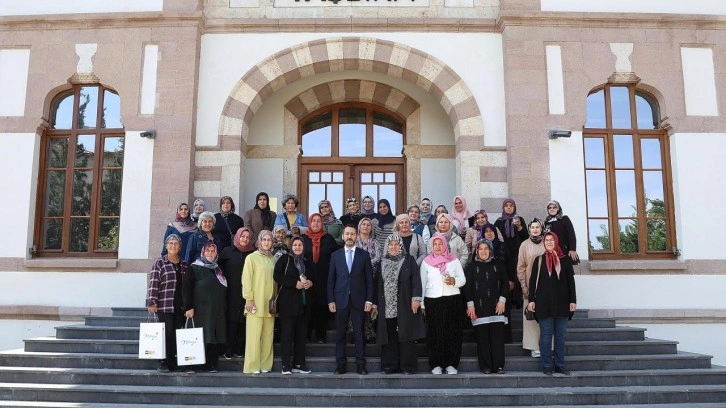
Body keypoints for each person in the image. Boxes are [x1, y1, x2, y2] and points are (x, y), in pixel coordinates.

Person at [527, 231, 577, 376]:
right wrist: (531, 300)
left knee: (560, 336)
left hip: (562, 303)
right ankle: (547, 365)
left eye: (551, 240)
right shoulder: (539, 260)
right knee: (546, 335)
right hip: (544, 303)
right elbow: (532, 282)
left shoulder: (565, 260)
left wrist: (573, 301)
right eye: (546, 240)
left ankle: (560, 364)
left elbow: (571, 282)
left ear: (556, 241)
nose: (549, 242)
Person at [374, 234, 425, 375]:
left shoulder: (409, 261)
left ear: (401, 246)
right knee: (389, 336)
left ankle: (408, 367)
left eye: (396, 244)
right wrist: (375, 305)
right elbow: (377, 284)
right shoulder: (382, 262)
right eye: (391, 244)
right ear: (387, 247)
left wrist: (416, 299)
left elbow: (416, 280)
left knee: (406, 335)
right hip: (387, 306)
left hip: (405, 305)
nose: (394, 247)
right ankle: (389, 366)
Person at [328, 224, 374, 375]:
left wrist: (369, 300)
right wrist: (331, 300)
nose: (349, 237)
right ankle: (340, 365)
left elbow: (369, 280)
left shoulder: (364, 255)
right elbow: (331, 280)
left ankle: (361, 365)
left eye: (352, 234)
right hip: (340, 300)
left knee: (359, 334)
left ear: (356, 236)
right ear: (342, 236)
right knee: (340, 334)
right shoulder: (335, 256)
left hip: (359, 300)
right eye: (347, 234)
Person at [420, 233, 466, 375]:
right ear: (431, 246)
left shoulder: (454, 260)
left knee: (452, 332)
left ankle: (451, 364)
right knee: (435, 333)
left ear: (445, 245)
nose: (438, 247)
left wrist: (454, 281)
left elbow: (463, 279)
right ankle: (436, 364)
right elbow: (422, 283)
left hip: (452, 299)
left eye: (441, 244)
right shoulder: (426, 262)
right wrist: (422, 303)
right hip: (432, 300)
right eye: (435, 244)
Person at [464, 239, 509, 374]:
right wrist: (470, 305)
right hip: (479, 307)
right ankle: (486, 366)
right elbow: (467, 288)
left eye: (486, 249)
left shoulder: (498, 265)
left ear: (490, 250)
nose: (483, 251)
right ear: (476, 251)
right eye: (480, 249)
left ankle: (499, 365)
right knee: (482, 339)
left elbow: (505, 283)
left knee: (497, 339)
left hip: (497, 306)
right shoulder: (472, 267)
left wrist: (502, 301)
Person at [183, 241, 227, 373]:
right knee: (196, 336)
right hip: (198, 311)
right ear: (203, 252)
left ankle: (211, 364)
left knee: (211, 336)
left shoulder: (218, 269)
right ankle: (191, 365)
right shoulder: (194, 268)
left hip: (214, 310)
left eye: (213, 251)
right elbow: (186, 289)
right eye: (208, 250)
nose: (210, 253)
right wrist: (188, 307)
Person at [146, 234, 188, 372]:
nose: (173, 246)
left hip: (179, 306)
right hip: (164, 305)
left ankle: (172, 360)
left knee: (176, 333)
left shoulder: (184, 264)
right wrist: (151, 302)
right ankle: (163, 361)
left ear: (180, 247)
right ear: (166, 246)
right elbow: (153, 283)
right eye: (170, 243)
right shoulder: (160, 263)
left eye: (176, 243)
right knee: (167, 333)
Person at [274, 236, 313, 375]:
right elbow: (276, 276)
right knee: (287, 335)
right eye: (295, 245)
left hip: (303, 304)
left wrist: (310, 283)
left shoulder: (306, 261)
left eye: (300, 245)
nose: (297, 247)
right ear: (291, 246)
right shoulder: (285, 259)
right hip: (288, 303)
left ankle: (299, 363)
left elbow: (312, 276)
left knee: (301, 336)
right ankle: (286, 365)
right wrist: (293, 283)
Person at [242, 230, 276, 374]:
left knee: (268, 336)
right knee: (254, 336)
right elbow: (246, 279)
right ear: (259, 242)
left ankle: (265, 365)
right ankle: (252, 366)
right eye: (264, 240)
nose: (267, 242)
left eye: (269, 240)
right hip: (255, 303)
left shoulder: (273, 259)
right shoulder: (251, 258)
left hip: (269, 304)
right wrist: (249, 299)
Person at [218, 227, 254, 360]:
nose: (245, 239)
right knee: (231, 320)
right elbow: (217, 268)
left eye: (247, 237)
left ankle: (239, 348)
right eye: (242, 236)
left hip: (247, 292)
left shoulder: (252, 253)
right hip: (231, 291)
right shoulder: (227, 251)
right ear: (237, 237)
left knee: (243, 321)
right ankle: (228, 349)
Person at [302, 213, 339, 344]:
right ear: (309, 223)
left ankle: (321, 336)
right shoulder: (303, 238)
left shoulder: (328, 238)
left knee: (322, 307)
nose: (316, 223)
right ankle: (305, 335)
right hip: (306, 279)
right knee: (307, 308)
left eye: (318, 221)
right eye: (314, 221)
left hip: (324, 278)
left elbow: (336, 257)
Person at [517, 218, 546, 358]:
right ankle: (533, 346)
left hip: (546, 286)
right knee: (531, 317)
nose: (535, 229)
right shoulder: (524, 245)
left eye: (537, 227)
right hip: (530, 286)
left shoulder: (547, 243)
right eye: (532, 227)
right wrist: (523, 285)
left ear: (542, 229)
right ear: (529, 229)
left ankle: (547, 345)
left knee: (547, 316)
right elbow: (521, 267)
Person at [494, 198, 529, 310]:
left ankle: (517, 302)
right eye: (506, 205)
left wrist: (519, 226)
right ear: (503, 207)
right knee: (505, 277)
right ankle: (506, 301)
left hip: (517, 254)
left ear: (514, 207)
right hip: (503, 255)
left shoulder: (519, 219)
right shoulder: (499, 221)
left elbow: (526, 237)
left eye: (511, 205)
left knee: (517, 277)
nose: (509, 207)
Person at [355, 217, 380, 342]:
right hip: (357, 279)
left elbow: (378, 258)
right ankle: (356, 334)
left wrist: (365, 263)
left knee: (370, 304)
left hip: (372, 277)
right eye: (363, 224)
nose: (365, 226)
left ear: (371, 228)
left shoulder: (375, 242)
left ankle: (369, 333)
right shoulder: (354, 241)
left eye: (368, 225)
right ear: (359, 227)